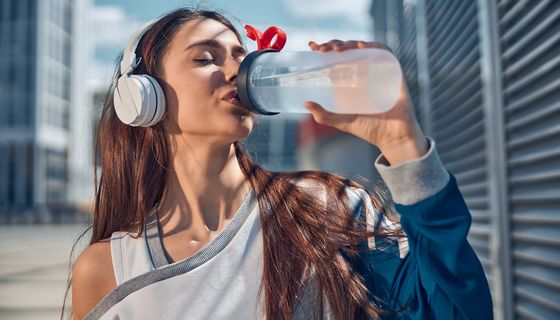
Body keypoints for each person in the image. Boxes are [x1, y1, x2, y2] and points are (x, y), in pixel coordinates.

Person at [66, 8, 493, 320]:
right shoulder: (109, 269)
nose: (238, 69)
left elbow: (456, 313)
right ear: (142, 98)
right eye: (206, 57)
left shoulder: (329, 208)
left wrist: (403, 144)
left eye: (240, 54)